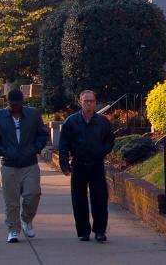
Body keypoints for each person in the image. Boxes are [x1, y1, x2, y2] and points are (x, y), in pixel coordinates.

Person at [0, 88, 48, 243]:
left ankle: (27, 219)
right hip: (9, 164)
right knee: (11, 201)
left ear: (22, 103)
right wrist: (2, 151)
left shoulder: (32, 114)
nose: (15, 107)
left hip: (29, 163)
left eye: (18, 104)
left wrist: (35, 149)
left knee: (33, 195)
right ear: (8, 103)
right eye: (12, 104)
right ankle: (13, 229)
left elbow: (42, 134)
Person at [58, 90, 114, 242]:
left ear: (95, 103)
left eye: (91, 101)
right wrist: (64, 163)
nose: (89, 103)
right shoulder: (71, 121)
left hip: (96, 165)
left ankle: (100, 231)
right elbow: (63, 144)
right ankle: (83, 231)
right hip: (78, 165)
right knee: (79, 199)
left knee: (100, 199)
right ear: (80, 102)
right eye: (86, 101)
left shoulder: (103, 121)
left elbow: (110, 140)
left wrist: (102, 151)